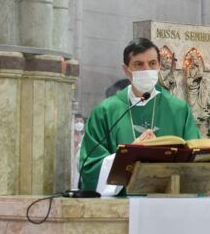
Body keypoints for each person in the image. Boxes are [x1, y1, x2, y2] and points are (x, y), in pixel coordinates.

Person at [79, 38, 200, 196]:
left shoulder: (179, 110)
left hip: (169, 204)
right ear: (126, 69)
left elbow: (196, 162)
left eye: (152, 63)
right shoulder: (105, 111)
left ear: (159, 66)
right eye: (139, 64)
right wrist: (129, 155)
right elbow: (90, 168)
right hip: (121, 209)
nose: (147, 69)